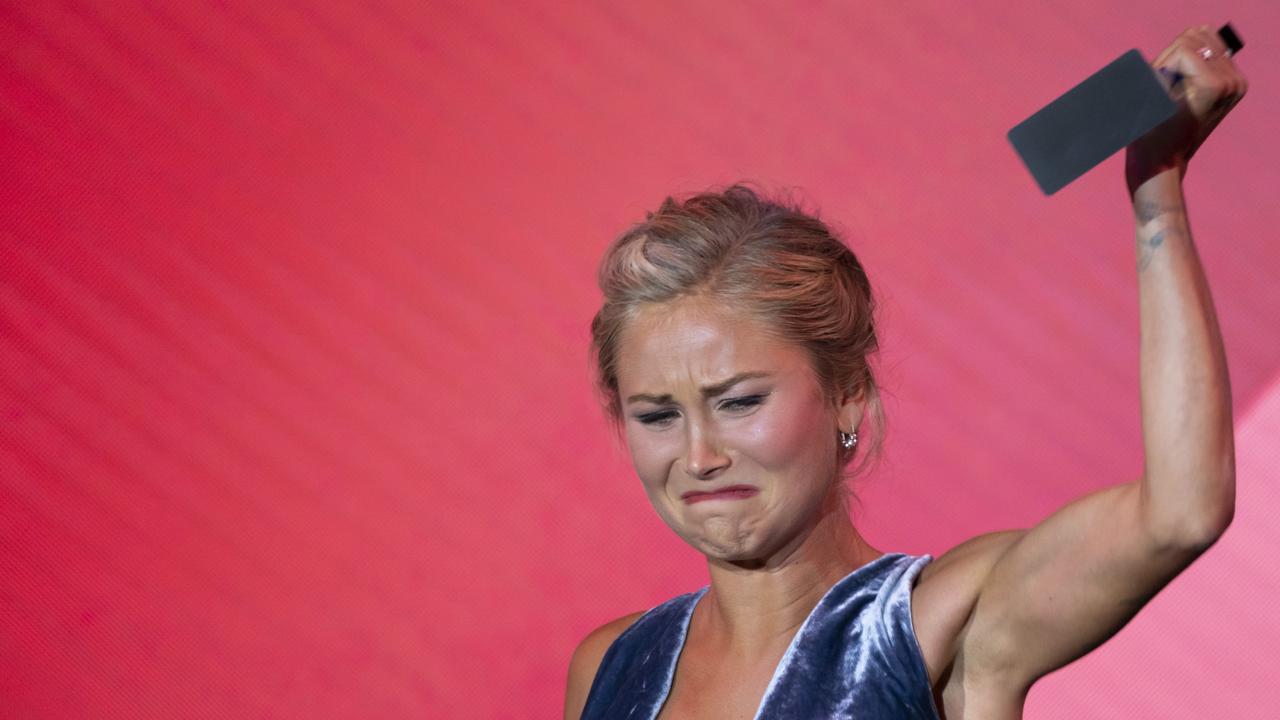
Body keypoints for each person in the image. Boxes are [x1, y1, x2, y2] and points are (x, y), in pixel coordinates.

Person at [565, 25, 1246, 720]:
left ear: (847, 396)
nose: (700, 456)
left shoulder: (941, 622)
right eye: (657, 416)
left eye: (738, 402)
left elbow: (1180, 514)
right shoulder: (609, 669)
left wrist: (1156, 195)